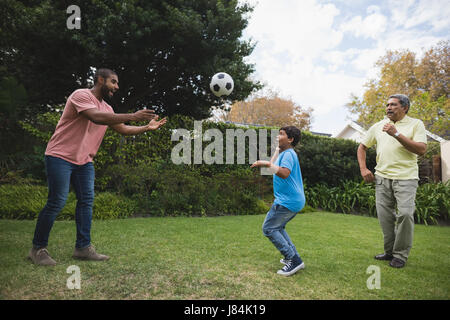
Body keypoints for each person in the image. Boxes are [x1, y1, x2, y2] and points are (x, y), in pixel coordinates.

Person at [28, 68, 167, 266]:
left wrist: (146, 127)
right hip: (60, 156)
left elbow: (123, 129)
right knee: (57, 201)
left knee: (86, 201)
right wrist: (133, 115)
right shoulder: (81, 95)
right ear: (100, 79)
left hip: (84, 161)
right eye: (113, 82)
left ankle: (83, 248)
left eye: (117, 83)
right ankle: (37, 249)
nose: (116, 87)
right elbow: (95, 117)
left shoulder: (108, 109)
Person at [357, 94, 427, 268]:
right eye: (387, 104)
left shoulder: (416, 124)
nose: (389, 107)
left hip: (406, 178)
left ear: (404, 107)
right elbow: (362, 147)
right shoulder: (378, 126)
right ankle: (390, 252)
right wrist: (363, 168)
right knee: (385, 218)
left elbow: (421, 150)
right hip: (382, 178)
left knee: (405, 214)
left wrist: (396, 134)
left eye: (393, 105)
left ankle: (401, 255)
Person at [251, 126, 306, 276]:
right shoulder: (285, 153)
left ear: (290, 139)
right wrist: (275, 152)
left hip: (287, 201)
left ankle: (293, 259)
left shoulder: (289, 154)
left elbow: (283, 173)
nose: (277, 136)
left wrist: (267, 164)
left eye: (281, 134)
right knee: (279, 227)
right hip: (293, 201)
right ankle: (294, 257)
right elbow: (272, 167)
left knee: (268, 228)